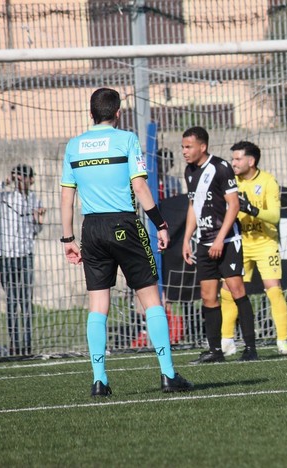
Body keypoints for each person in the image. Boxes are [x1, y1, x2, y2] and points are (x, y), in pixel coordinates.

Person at [60, 87, 192, 396]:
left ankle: (99, 380)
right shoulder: (127, 140)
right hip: (124, 224)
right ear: (117, 113)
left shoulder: (74, 146)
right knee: (151, 299)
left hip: (90, 228)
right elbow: (141, 187)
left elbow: (67, 197)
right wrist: (160, 223)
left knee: (98, 305)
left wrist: (68, 238)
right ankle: (168, 374)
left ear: (90, 113)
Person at [181, 126, 259, 362]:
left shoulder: (220, 167)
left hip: (227, 241)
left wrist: (219, 239)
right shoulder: (189, 171)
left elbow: (233, 205)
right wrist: (186, 239)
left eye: (188, 147)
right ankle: (215, 351)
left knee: (237, 291)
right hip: (204, 243)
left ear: (202, 147)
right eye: (183, 147)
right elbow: (193, 207)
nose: (184, 151)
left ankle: (250, 349)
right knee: (208, 296)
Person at [220, 141, 287, 356]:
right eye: (232, 159)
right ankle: (227, 340)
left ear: (251, 161)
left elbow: (275, 216)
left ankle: (282, 341)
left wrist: (251, 208)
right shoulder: (231, 181)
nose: (233, 163)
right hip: (239, 243)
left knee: (274, 289)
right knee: (228, 290)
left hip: (264, 242)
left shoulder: (268, 181)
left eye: (238, 159)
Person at [0, 164, 45, 356]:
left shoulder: (34, 199)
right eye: (17, 177)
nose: (21, 181)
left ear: (31, 179)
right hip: (6, 257)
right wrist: (4, 182)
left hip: (26, 256)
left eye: (24, 177)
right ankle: (14, 343)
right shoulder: (2, 197)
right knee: (12, 301)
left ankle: (27, 344)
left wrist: (39, 220)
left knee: (26, 301)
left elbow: (36, 231)